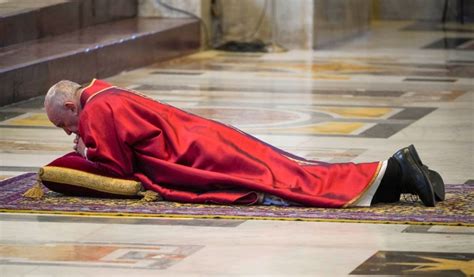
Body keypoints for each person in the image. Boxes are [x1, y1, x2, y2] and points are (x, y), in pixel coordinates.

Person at [43, 79, 445, 208]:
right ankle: (400, 173)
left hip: (199, 155)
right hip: (208, 139)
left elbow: (118, 169)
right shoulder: (107, 93)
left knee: (288, 183)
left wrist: (83, 152)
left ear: (68, 103)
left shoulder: (96, 110)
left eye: (65, 124)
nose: (70, 132)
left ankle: (397, 171)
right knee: (294, 171)